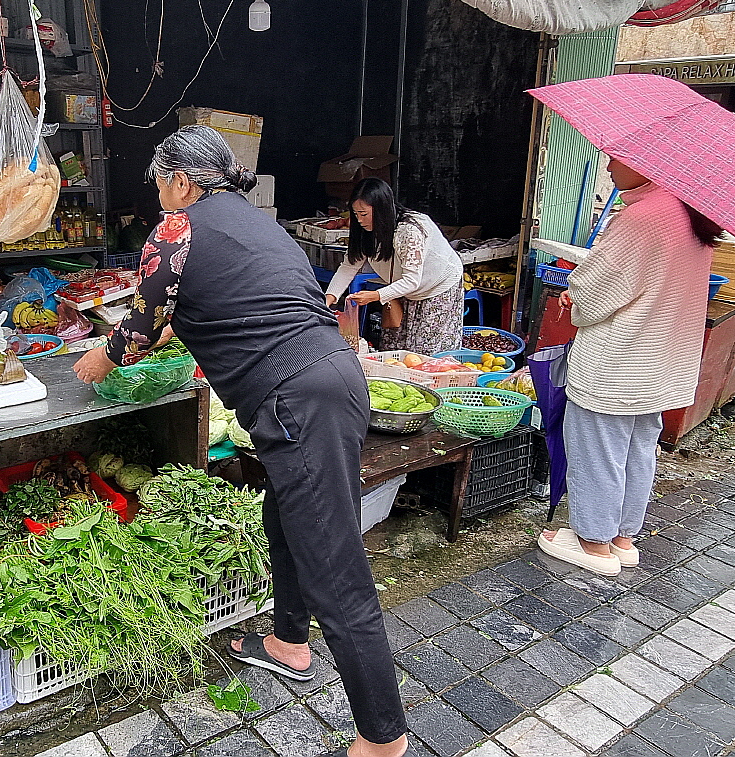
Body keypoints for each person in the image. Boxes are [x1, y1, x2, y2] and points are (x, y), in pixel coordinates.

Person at [73, 126, 408, 757]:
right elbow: (226, 305)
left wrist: (102, 356)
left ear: (181, 181)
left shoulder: (177, 230)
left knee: (336, 569)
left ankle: (382, 737)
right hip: (334, 378)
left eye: (160, 182)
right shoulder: (258, 224)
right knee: (284, 518)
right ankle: (289, 641)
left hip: (295, 400)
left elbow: (141, 326)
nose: (159, 195)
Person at [539, 159, 720, 576]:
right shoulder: (691, 213)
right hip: (661, 363)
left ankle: (593, 543)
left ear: (647, 160)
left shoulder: (643, 217)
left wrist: (576, 295)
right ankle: (622, 538)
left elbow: (594, 293)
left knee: (597, 449)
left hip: (619, 362)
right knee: (638, 449)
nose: (608, 165)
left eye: (616, 158)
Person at [325, 178, 464, 354]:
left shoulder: (409, 230)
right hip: (404, 289)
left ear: (381, 209)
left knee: (425, 351)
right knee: (394, 348)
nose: (359, 220)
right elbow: (348, 266)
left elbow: (412, 280)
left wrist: (375, 295)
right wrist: (328, 298)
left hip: (437, 287)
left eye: (364, 214)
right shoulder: (364, 231)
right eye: (356, 214)